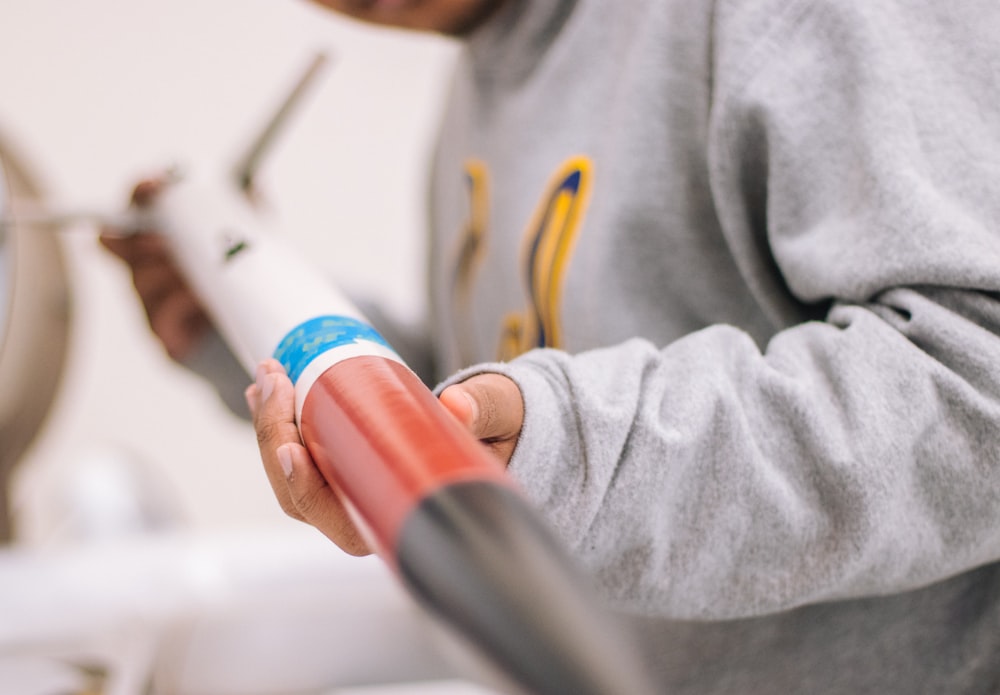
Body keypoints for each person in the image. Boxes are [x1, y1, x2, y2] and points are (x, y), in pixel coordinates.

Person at [102, 0, 1000, 691]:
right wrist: (250, 331)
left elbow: (975, 376)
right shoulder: (482, 72)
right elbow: (503, 372)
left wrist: (564, 453)